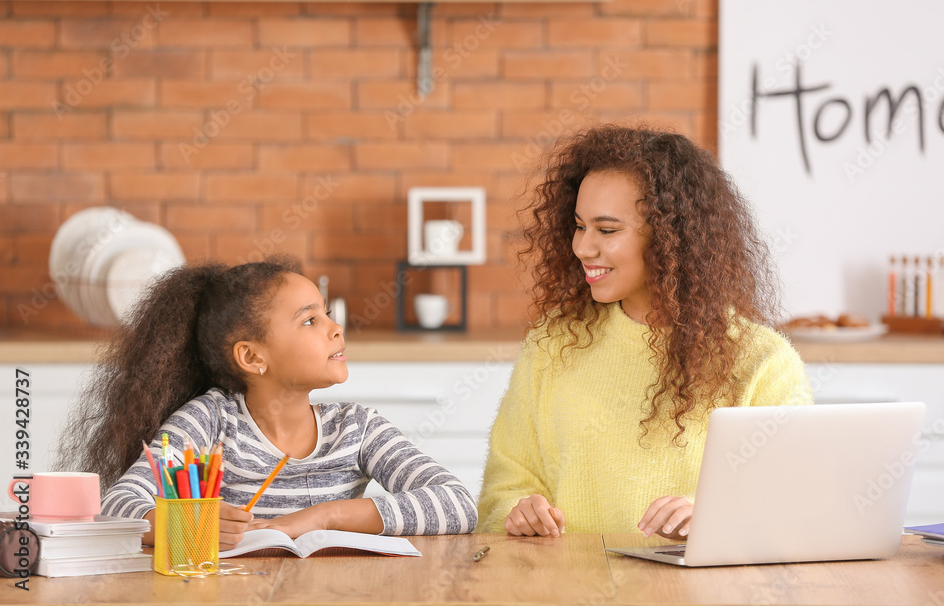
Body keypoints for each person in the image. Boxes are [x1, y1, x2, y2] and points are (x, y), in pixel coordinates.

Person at [476, 124, 813, 540]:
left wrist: (716, 516)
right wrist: (518, 513)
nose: (582, 247)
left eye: (607, 230)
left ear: (670, 238)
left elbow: (793, 505)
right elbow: (502, 490)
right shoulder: (554, 342)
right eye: (580, 226)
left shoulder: (763, 362)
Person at [57, 256, 477, 549]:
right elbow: (117, 504)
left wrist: (324, 516)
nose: (336, 328)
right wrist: (181, 522)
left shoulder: (359, 428)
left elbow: (457, 504)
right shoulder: (210, 421)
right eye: (311, 320)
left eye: (327, 314)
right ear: (252, 357)